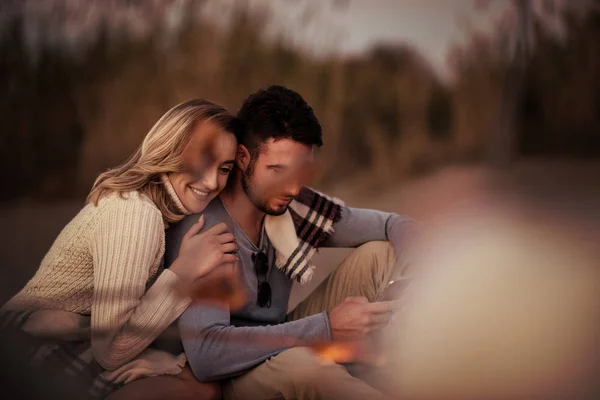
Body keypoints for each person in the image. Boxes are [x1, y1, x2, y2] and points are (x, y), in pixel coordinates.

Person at [165, 86, 417, 400]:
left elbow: (395, 223)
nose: (294, 188)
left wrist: (411, 277)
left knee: (380, 253)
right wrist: (326, 327)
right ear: (243, 158)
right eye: (277, 171)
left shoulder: (294, 207)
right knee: (307, 370)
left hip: (284, 334)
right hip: (231, 372)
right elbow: (207, 354)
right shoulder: (206, 229)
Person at [0, 99, 242, 399]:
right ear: (170, 148)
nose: (212, 181)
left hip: (69, 334)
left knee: (192, 374)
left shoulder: (156, 209)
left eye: (225, 168)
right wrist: (186, 272)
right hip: (21, 342)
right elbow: (111, 348)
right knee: (197, 388)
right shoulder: (135, 213)